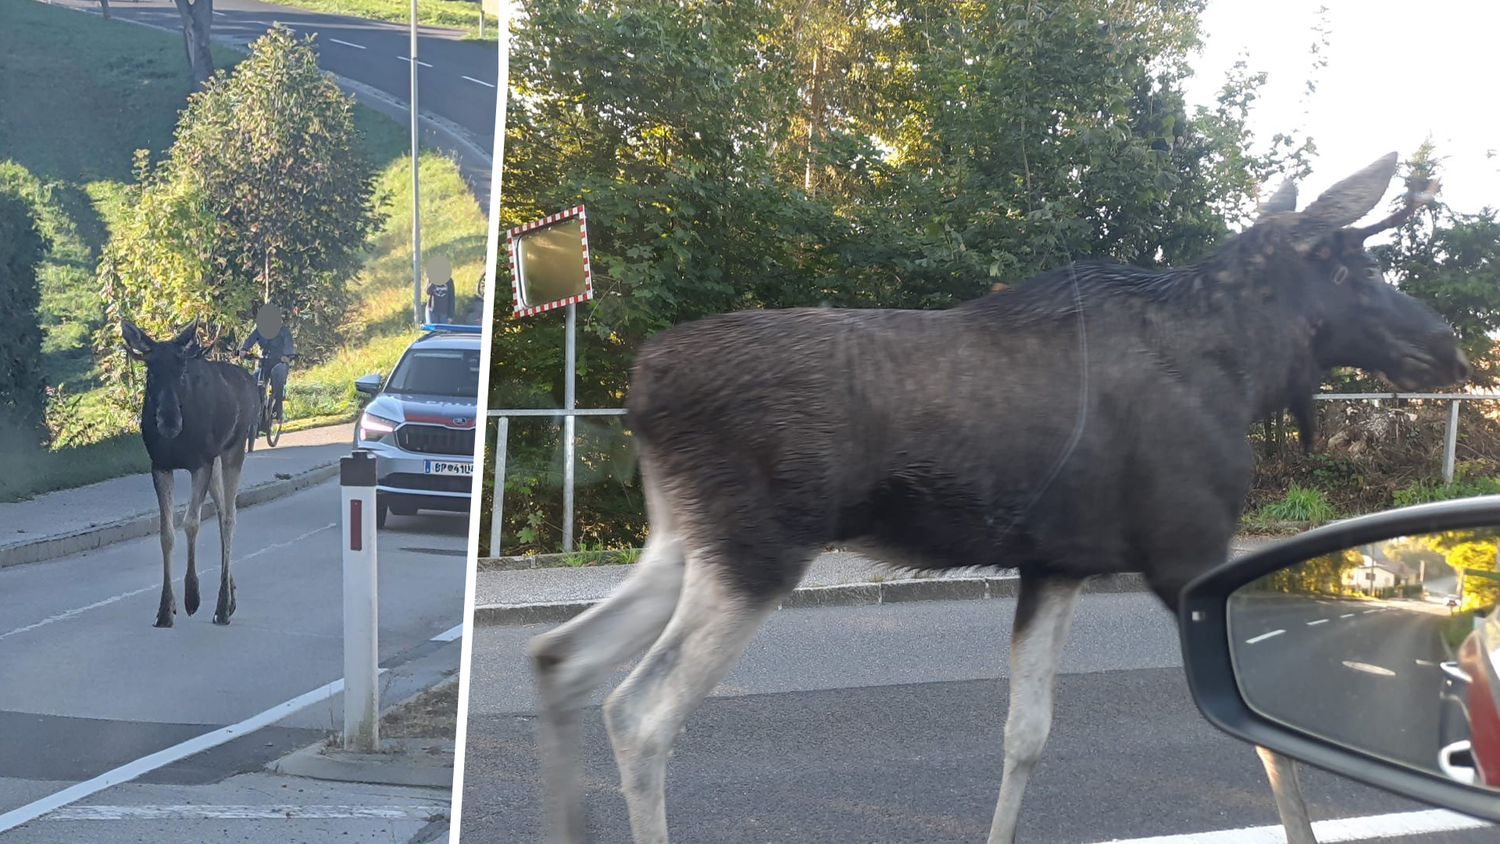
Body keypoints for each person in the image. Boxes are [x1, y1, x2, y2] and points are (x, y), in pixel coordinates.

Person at [239, 302, 294, 423]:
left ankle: (276, 413)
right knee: (254, 379)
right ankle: (255, 412)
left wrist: (287, 356)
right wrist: (244, 350)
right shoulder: (260, 330)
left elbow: (289, 346)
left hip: (280, 361)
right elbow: (250, 339)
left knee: (277, 379)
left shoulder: (284, 331)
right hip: (264, 361)